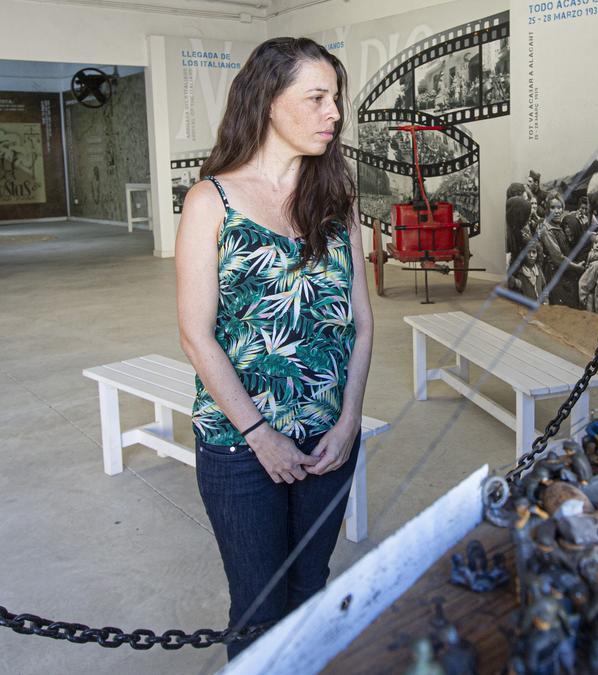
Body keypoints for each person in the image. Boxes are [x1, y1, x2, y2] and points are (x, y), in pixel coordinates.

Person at [176, 37, 373, 659]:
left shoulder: (337, 205)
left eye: (334, 100)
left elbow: (362, 325)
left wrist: (348, 423)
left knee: (311, 586)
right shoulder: (212, 201)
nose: (333, 114)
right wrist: (260, 434)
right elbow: (196, 334)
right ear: (266, 101)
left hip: (328, 439)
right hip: (241, 446)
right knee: (258, 605)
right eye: (316, 98)